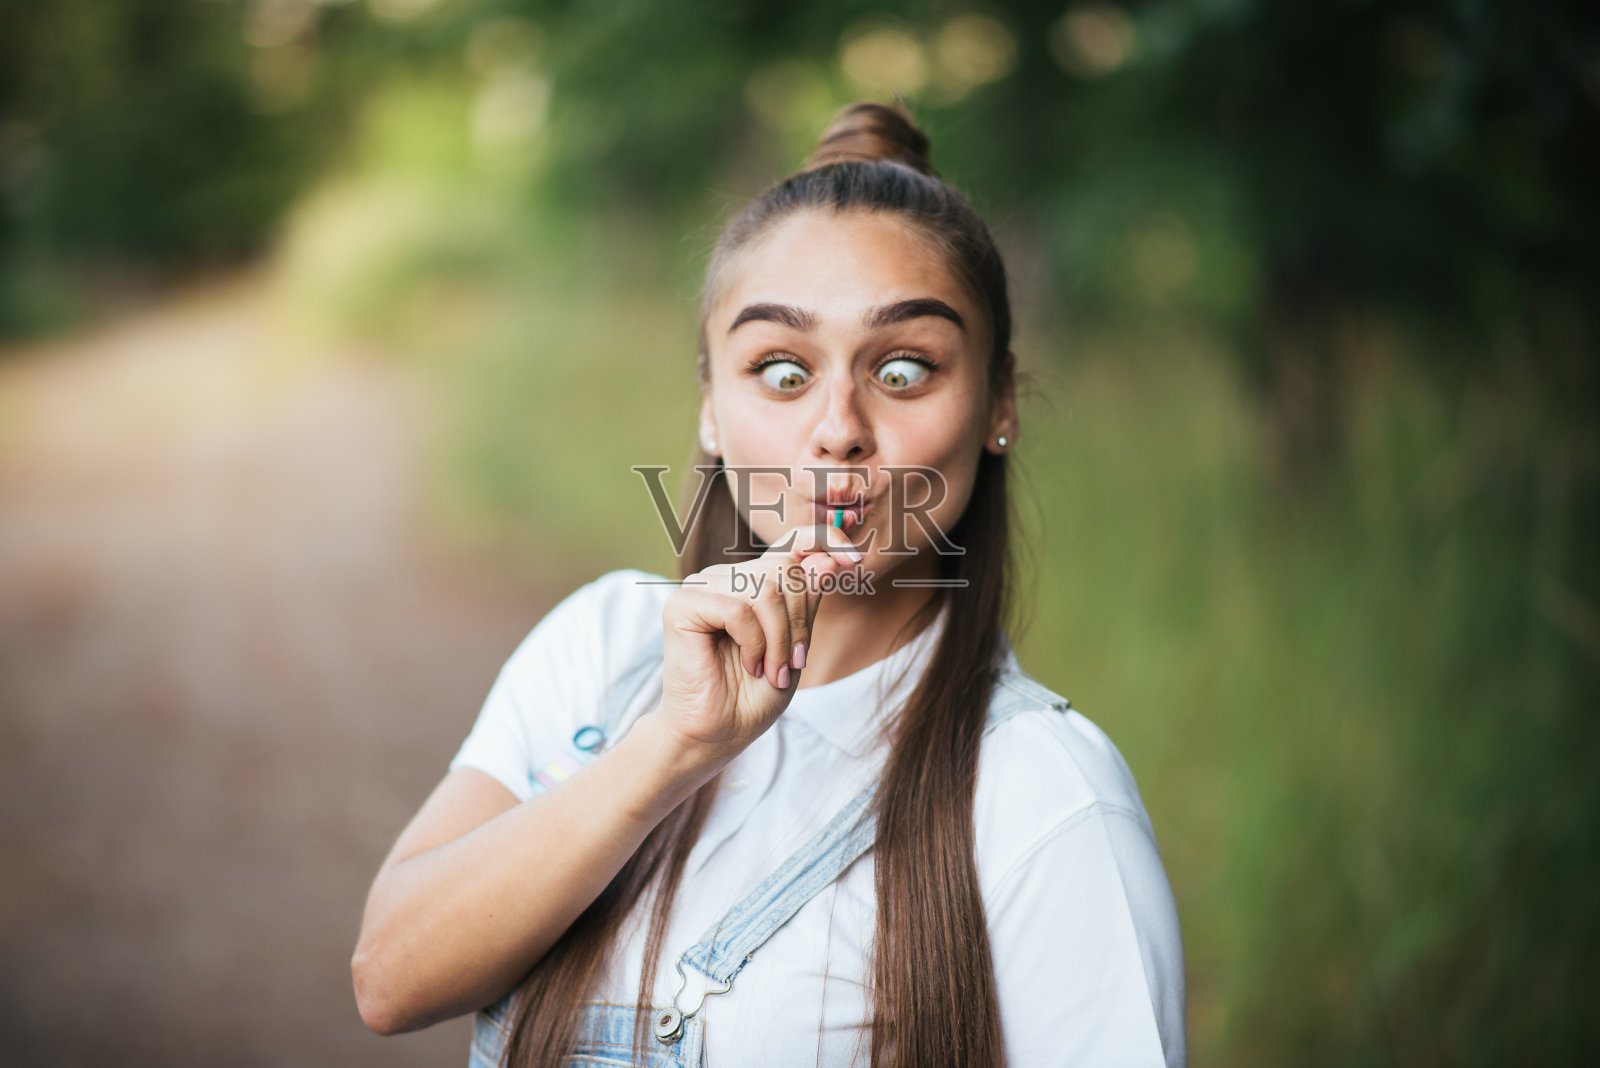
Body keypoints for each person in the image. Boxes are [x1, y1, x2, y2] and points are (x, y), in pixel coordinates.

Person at [352, 100, 1187, 1067]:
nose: (838, 429)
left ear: (998, 401)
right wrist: (671, 747)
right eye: (784, 371)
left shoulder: (1047, 796)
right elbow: (390, 979)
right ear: (711, 406)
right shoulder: (601, 645)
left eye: (904, 370)